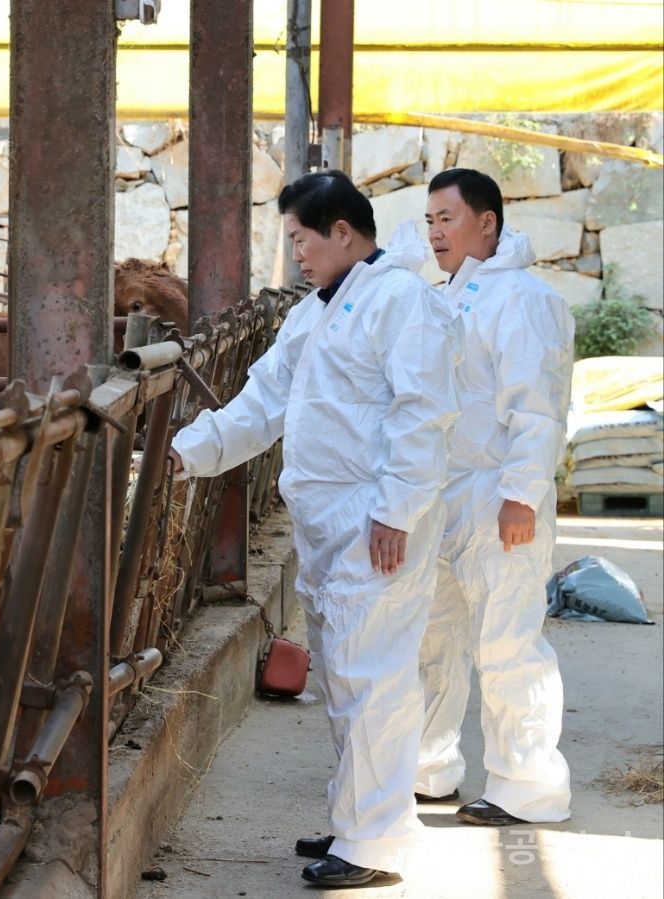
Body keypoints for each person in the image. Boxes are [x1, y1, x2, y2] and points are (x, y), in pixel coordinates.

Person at [168, 170, 458, 887]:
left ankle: (375, 843)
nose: (295, 253)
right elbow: (260, 403)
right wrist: (182, 454)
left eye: (301, 238)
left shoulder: (400, 301)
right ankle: (358, 821)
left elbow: (423, 411)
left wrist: (396, 509)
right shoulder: (315, 312)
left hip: (374, 516)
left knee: (373, 675)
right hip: (328, 520)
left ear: (341, 231)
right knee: (342, 672)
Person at [416, 168, 574, 827]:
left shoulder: (522, 298)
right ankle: (428, 768)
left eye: (446, 219)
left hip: (500, 494)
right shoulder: (449, 296)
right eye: (428, 220)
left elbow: (537, 409)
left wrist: (520, 497)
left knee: (508, 640)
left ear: (488, 222)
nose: (434, 232)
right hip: (446, 497)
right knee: (433, 637)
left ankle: (530, 785)